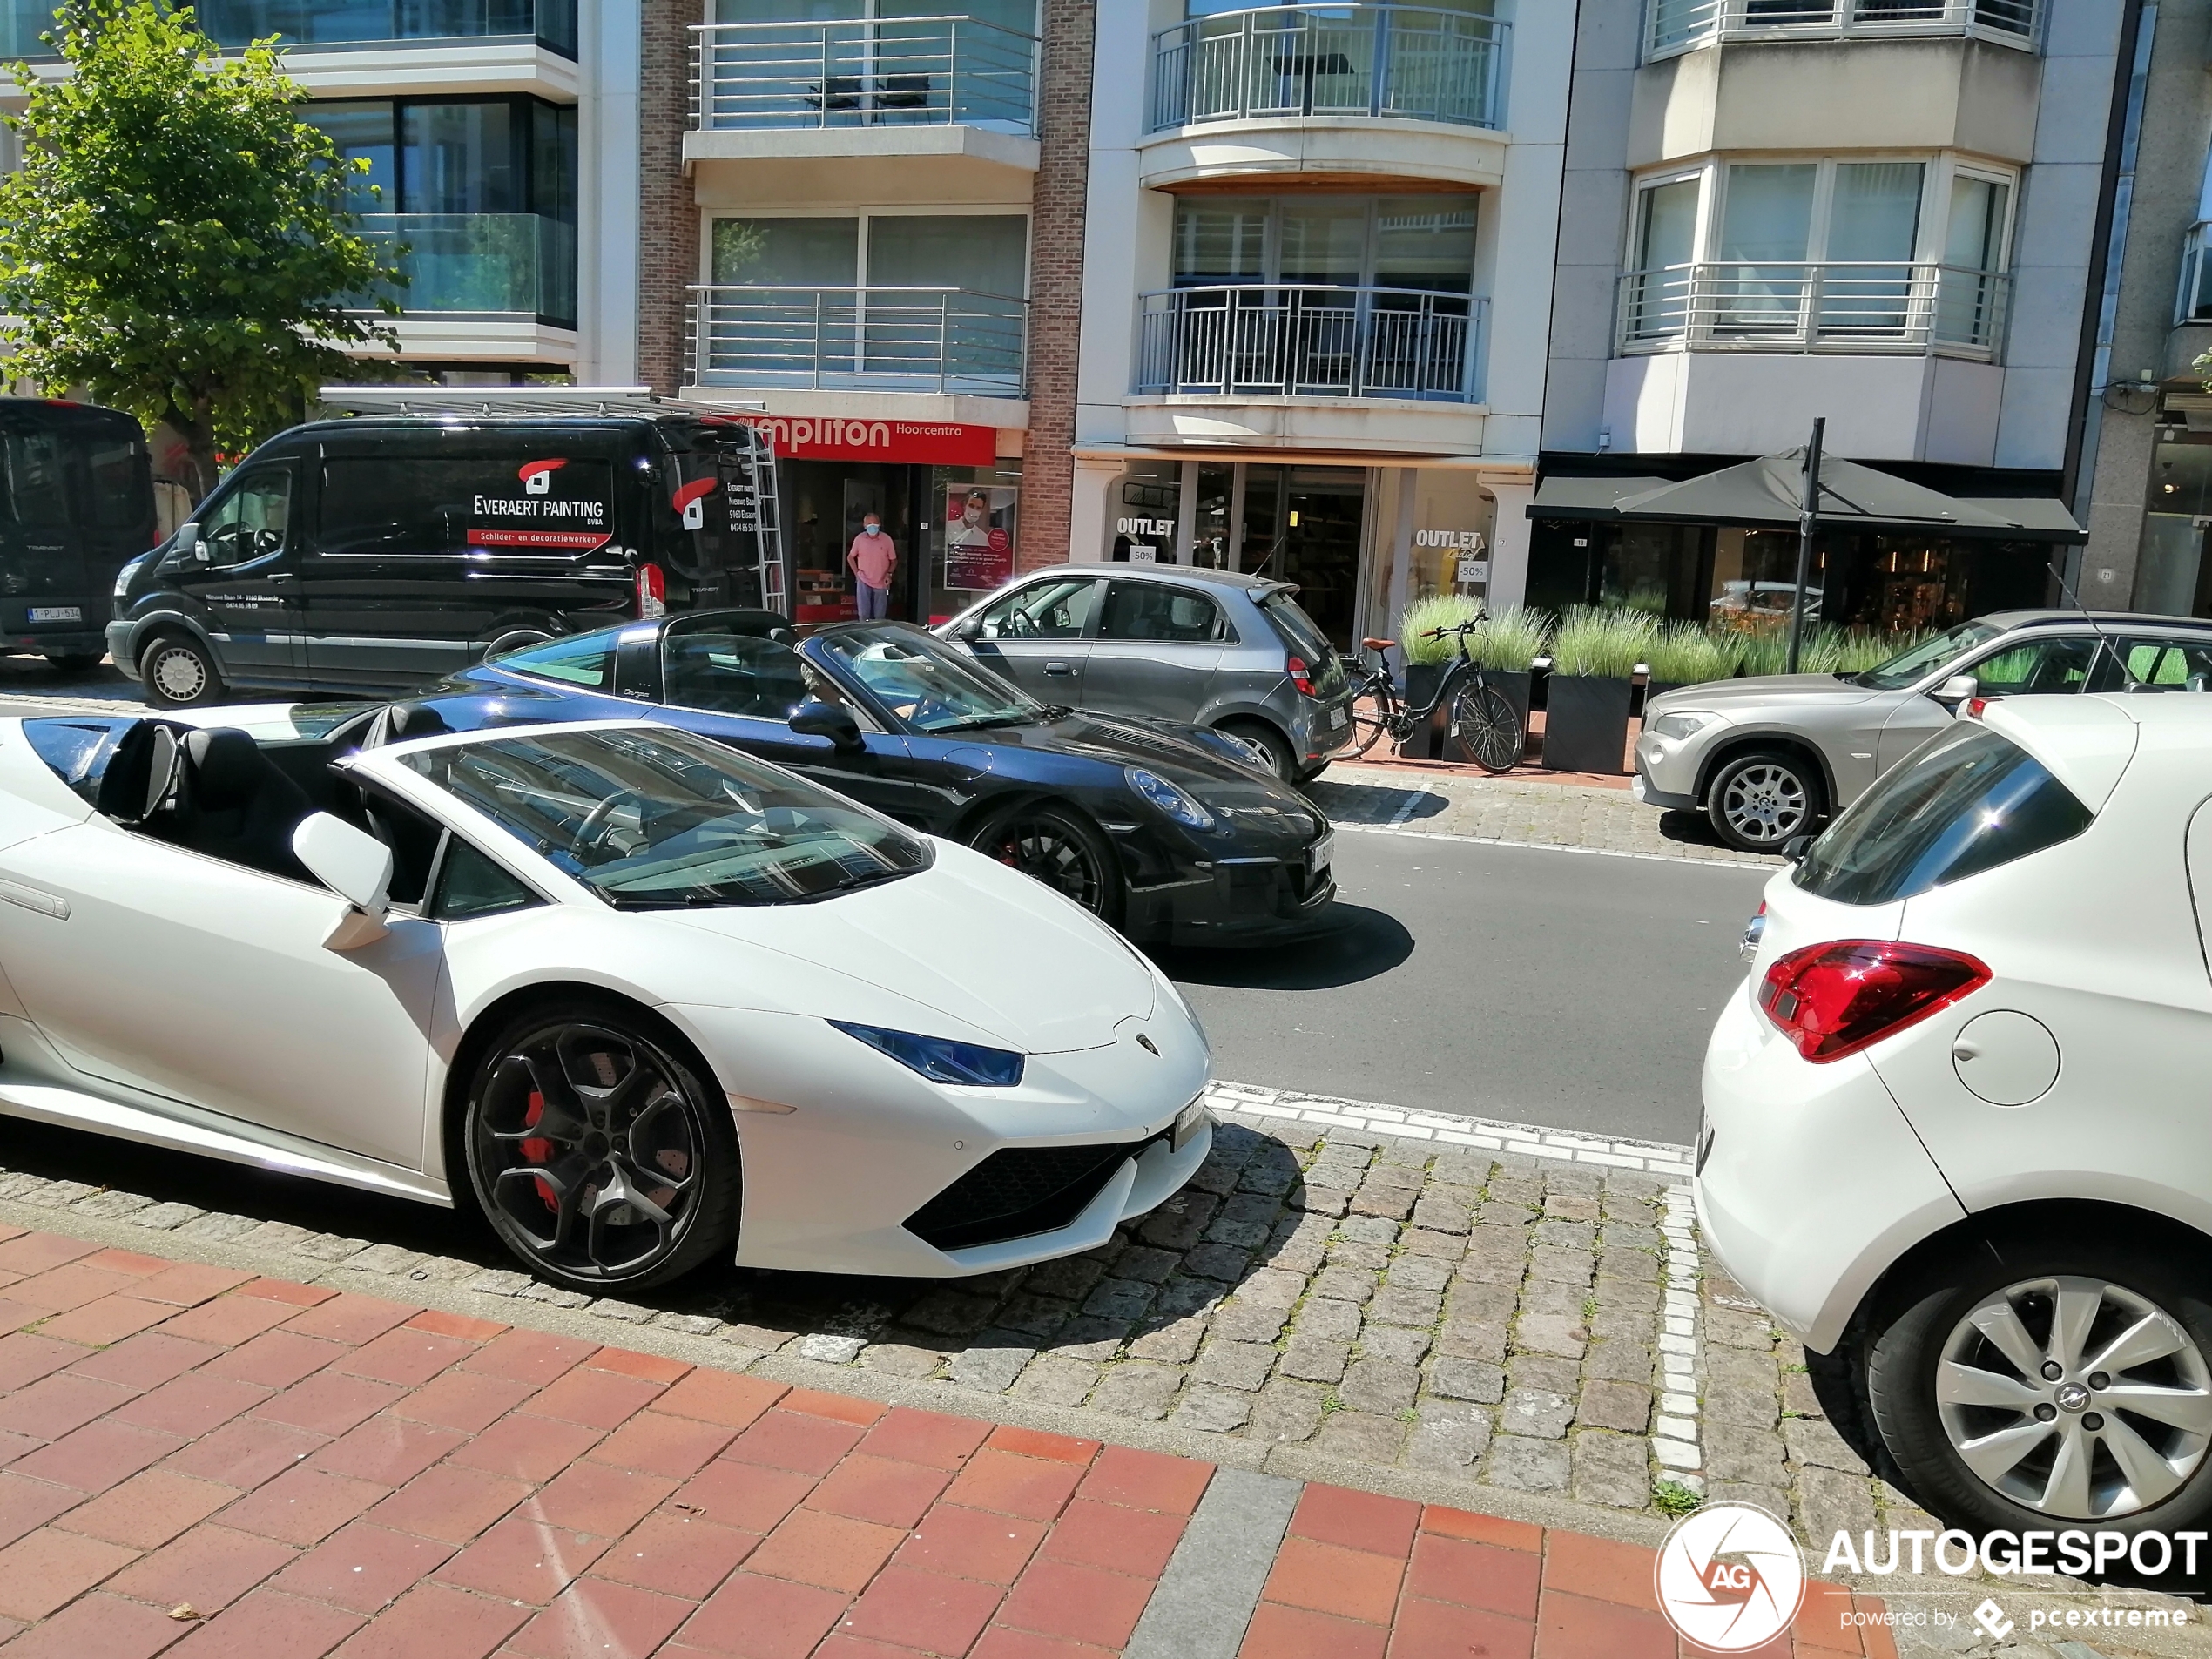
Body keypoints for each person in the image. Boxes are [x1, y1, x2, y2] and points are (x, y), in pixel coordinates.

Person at [846, 511, 896, 620]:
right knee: (863, 615)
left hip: (881, 581)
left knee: (880, 616)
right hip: (863, 580)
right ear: (864, 526)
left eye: (874, 523)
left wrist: (889, 574)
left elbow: (894, 560)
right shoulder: (859, 539)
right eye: (869, 524)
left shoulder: (887, 540)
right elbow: (850, 557)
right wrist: (857, 575)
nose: (872, 526)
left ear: (879, 524)